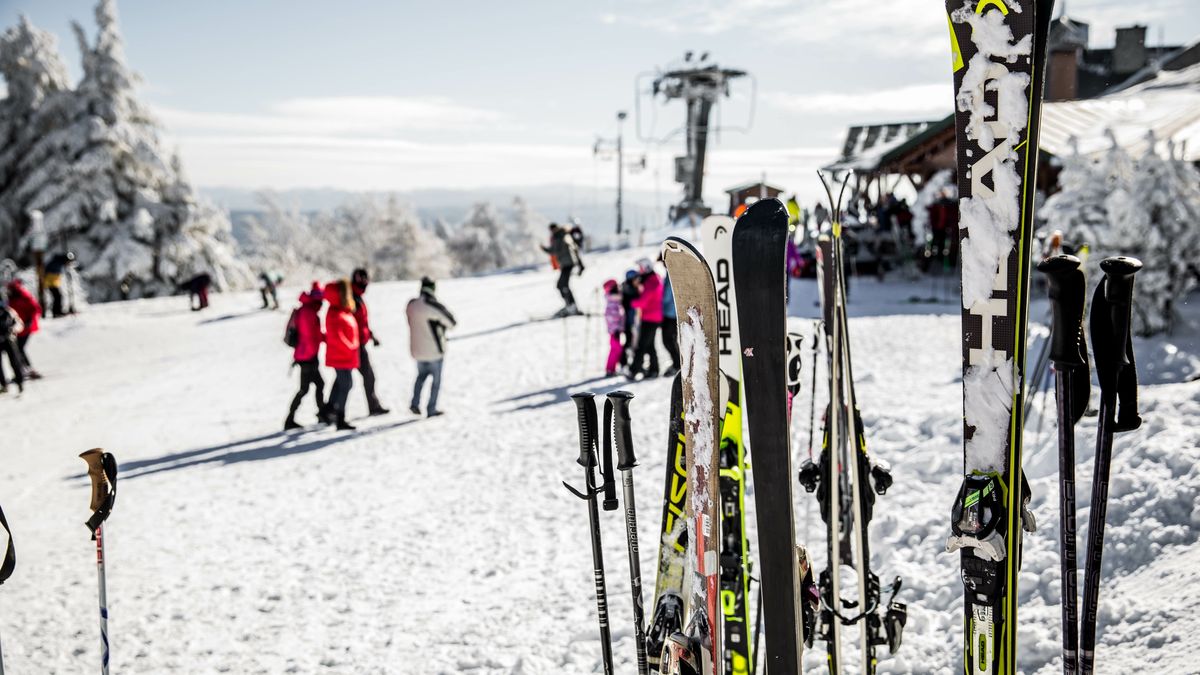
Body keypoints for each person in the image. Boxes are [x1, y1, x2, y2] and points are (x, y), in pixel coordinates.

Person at [406, 277, 456, 417]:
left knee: (420, 376)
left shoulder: (411, 305)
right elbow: (451, 322)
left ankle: (415, 403)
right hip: (434, 350)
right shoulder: (432, 305)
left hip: (417, 349)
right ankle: (431, 409)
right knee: (436, 381)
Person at [284, 283, 328, 430]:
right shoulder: (308, 312)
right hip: (307, 356)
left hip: (305, 355)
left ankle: (320, 413)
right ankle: (291, 419)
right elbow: (310, 336)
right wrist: (324, 339)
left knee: (315, 385)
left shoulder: (307, 310)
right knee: (306, 388)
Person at [323, 278, 361, 431]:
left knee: (341, 383)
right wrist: (351, 348)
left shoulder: (341, 310)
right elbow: (337, 338)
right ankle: (339, 417)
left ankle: (329, 410)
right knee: (346, 385)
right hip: (341, 356)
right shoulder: (335, 313)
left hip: (344, 355)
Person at [350, 268, 389, 416]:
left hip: (358, 343)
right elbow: (352, 324)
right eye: (364, 279)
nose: (366, 283)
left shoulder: (357, 297)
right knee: (367, 376)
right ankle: (373, 406)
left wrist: (371, 336)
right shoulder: (353, 299)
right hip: (354, 345)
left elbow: (361, 323)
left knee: (345, 379)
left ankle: (331, 409)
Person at [627, 260, 663, 380]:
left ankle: (634, 370)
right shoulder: (651, 280)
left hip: (651, 318)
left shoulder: (652, 282)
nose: (640, 271)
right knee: (650, 345)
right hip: (651, 317)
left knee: (642, 345)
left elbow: (643, 301)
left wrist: (630, 302)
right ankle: (654, 369)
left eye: (641, 268)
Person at [541, 223, 583, 316]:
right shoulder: (563, 234)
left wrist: (543, 249)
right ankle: (570, 305)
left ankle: (571, 306)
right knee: (562, 285)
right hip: (568, 263)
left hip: (567, 264)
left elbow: (554, 250)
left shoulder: (559, 236)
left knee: (562, 285)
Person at [5, 279, 41, 379]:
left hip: (26, 328)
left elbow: (35, 309)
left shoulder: (24, 297)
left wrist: (30, 320)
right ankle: (23, 370)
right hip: (16, 329)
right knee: (17, 349)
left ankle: (27, 369)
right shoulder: (10, 299)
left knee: (19, 348)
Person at [0, 299, 25, 394]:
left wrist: (12, 330)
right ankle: (4, 384)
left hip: (9, 340)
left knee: (15, 362)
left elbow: (19, 324)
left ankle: (20, 382)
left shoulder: (9, 311)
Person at [660, 269, 681, 377]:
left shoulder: (671, 271)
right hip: (672, 312)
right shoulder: (674, 270)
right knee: (671, 340)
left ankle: (678, 364)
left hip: (669, 313)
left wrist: (659, 303)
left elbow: (667, 294)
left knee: (668, 340)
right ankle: (677, 363)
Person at [619, 270, 640, 367]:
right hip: (629, 321)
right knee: (629, 342)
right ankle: (624, 362)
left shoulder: (627, 287)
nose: (638, 281)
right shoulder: (629, 290)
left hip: (631, 320)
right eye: (636, 279)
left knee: (630, 342)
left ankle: (625, 362)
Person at [43, 252, 74, 317]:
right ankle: (57, 312)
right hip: (51, 283)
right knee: (58, 297)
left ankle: (57, 311)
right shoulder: (57, 263)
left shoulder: (58, 262)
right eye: (68, 261)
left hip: (53, 282)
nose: (68, 263)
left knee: (58, 296)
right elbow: (49, 272)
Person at [603, 279, 624, 376]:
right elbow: (611, 317)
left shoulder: (615, 299)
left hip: (616, 329)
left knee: (616, 349)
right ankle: (610, 369)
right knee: (616, 349)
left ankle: (611, 369)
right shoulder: (613, 301)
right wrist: (615, 329)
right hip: (614, 330)